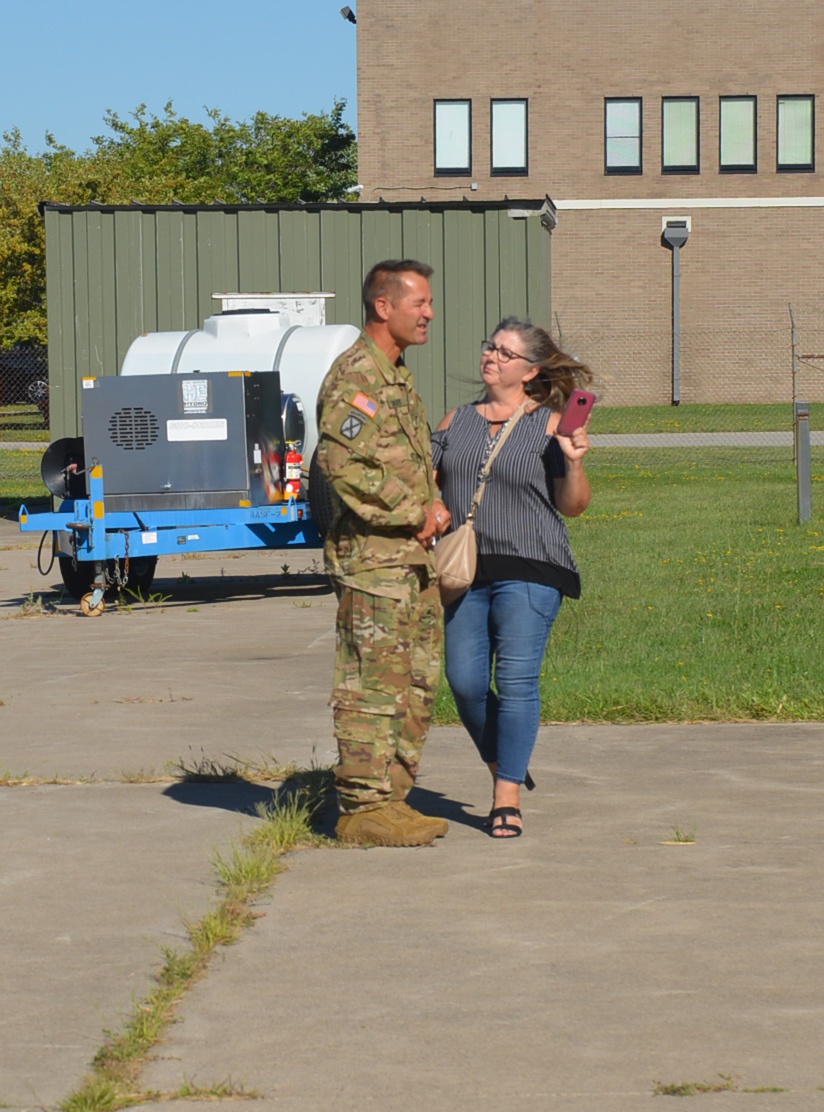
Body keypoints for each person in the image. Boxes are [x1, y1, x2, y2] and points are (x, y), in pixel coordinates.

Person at [431, 317, 593, 838]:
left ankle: (506, 796)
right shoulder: (455, 421)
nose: (491, 358)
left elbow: (573, 507)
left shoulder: (549, 425)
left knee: (517, 682)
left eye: (504, 353)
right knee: (464, 680)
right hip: (465, 570)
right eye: (490, 347)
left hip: (531, 567)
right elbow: (428, 486)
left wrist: (573, 464)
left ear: (530, 371)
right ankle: (510, 761)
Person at [316, 259, 451, 847]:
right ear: (382, 306)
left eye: (427, 302)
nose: (428, 313)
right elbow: (342, 465)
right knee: (374, 685)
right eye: (418, 303)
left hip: (409, 561)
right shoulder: (356, 376)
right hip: (375, 562)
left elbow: (404, 460)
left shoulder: (395, 375)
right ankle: (362, 808)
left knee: (412, 682)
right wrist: (412, 511)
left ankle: (391, 799)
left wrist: (435, 504)